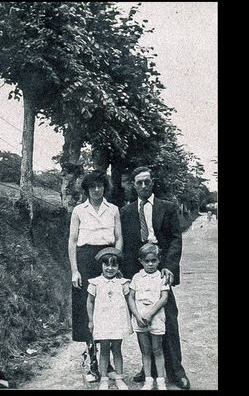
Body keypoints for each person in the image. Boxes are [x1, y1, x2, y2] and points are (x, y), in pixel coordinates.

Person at [120, 166, 191, 389]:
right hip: (138, 272)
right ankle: (148, 368)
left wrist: (169, 266)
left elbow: (175, 239)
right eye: (139, 182)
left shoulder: (167, 208)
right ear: (133, 184)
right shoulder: (127, 212)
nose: (143, 186)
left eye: (147, 182)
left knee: (168, 317)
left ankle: (176, 372)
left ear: (152, 183)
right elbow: (127, 246)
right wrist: (129, 276)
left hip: (160, 269)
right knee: (142, 318)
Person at [69, 171, 123, 382]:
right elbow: (72, 241)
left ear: (104, 187)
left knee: (108, 307)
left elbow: (118, 238)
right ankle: (93, 362)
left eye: (100, 186)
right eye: (92, 187)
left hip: (107, 259)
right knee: (87, 308)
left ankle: (107, 362)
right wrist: (75, 270)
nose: (96, 190)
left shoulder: (114, 210)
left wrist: (115, 260)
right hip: (85, 259)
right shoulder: (78, 211)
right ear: (87, 189)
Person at [87, 247, 132, 390]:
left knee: (117, 349)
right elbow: (90, 301)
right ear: (101, 265)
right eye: (107, 264)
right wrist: (91, 320)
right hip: (103, 321)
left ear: (118, 266)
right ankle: (104, 379)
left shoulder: (123, 283)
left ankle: (119, 378)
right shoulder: (95, 283)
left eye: (114, 265)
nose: (110, 268)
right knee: (105, 349)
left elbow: (129, 300)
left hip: (117, 320)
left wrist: (131, 318)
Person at [128, 243, 170, 390]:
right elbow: (131, 297)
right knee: (145, 351)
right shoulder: (136, 277)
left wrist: (151, 313)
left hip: (156, 317)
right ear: (141, 261)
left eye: (154, 260)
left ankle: (161, 380)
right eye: (147, 261)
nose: (151, 264)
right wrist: (137, 315)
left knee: (157, 350)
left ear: (159, 260)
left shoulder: (161, 277)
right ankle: (148, 379)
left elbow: (164, 298)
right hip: (140, 318)